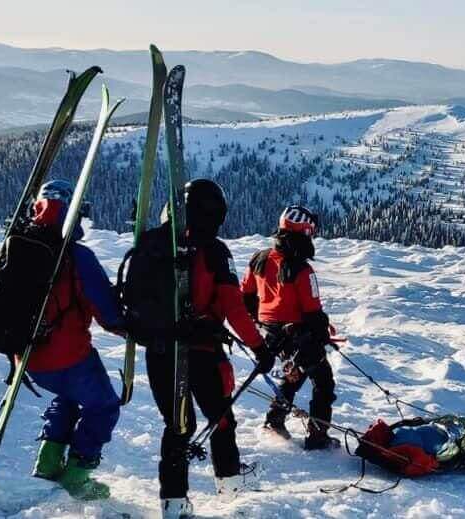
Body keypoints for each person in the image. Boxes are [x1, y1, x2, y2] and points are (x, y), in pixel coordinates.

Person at [141, 179, 274, 519]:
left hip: (159, 351)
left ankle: (173, 502)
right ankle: (229, 480)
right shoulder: (214, 251)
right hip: (201, 351)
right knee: (221, 417)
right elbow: (233, 308)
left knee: (176, 425)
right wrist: (259, 347)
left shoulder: (152, 245)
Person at [25, 180, 126, 500]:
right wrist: (129, 326)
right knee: (105, 405)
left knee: (68, 396)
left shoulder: (19, 246)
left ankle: (48, 462)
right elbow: (106, 312)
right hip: (67, 355)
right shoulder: (77, 256)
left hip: (27, 356)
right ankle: (77, 476)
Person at [241, 205, 338, 451]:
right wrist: (322, 333)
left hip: (269, 332)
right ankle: (317, 435)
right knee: (323, 381)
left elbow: (246, 296)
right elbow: (312, 311)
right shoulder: (303, 270)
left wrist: (259, 323)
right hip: (299, 332)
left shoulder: (259, 259)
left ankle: (275, 422)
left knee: (293, 376)